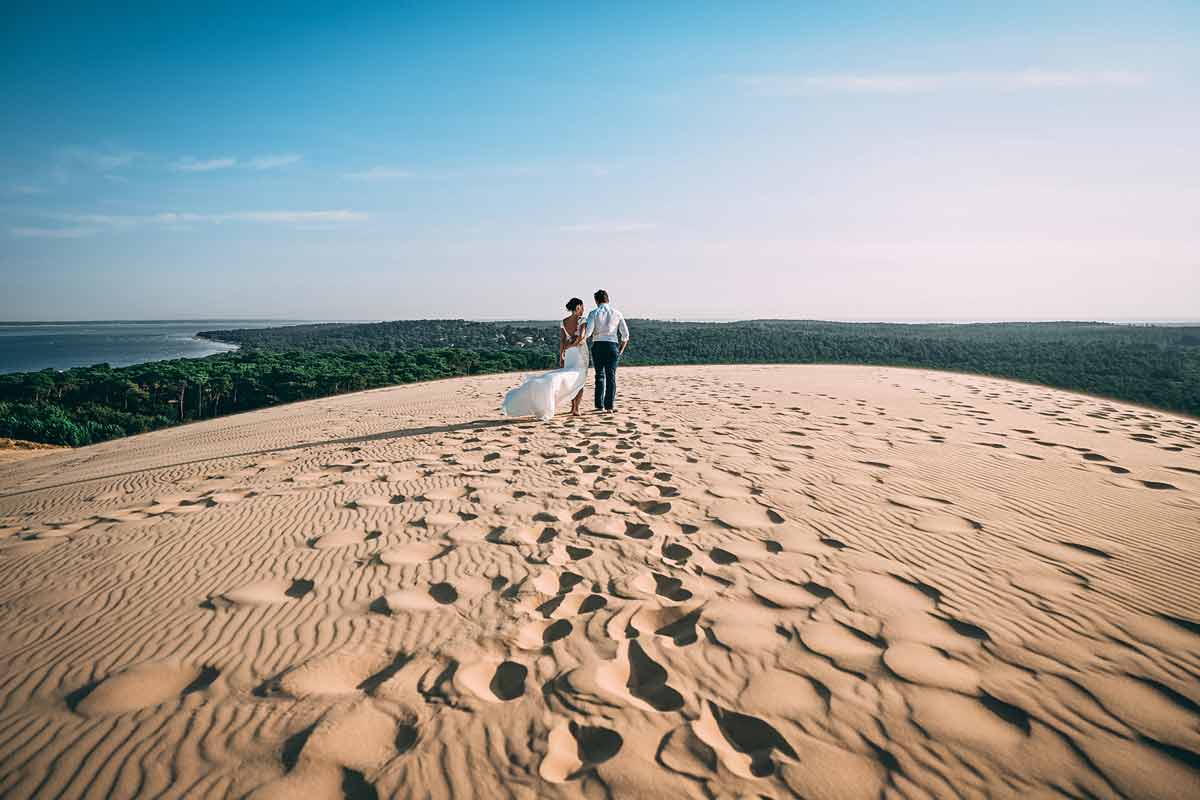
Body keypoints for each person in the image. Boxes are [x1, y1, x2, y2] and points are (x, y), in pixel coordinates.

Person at [500, 298, 590, 421]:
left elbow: (562, 341)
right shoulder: (582, 320)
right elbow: (581, 338)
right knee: (579, 379)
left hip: (569, 354)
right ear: (578, 307)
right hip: (579, 353)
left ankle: (572, 407)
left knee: (569, 377)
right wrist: (570, 345)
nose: (583, 310)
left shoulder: (563, 322)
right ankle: (576, 408)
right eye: (582, 307)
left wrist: (562, 355)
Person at [584, 289, 629, 413]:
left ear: (596, 301)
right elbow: (626, 335)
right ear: (608, 299)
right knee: (611, 376)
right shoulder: (617, 313)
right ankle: (609, 406)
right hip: (612, 346)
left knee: (599, 375)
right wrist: (620, 350)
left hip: (598, 345)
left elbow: (588, 333)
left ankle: (599, 405)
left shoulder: (594, 313)